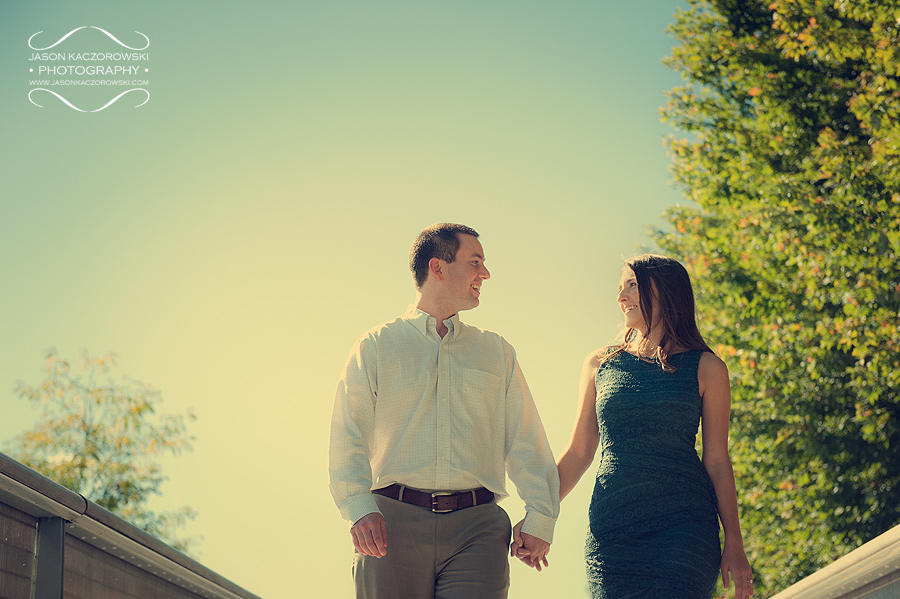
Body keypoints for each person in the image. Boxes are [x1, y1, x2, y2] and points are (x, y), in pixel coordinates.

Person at [329, 223, 560, 599]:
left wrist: (541, 516)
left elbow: (525, 439)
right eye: (475, 262)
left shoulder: (497, 352)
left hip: (478, 530)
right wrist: (357, 506)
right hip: (391, 524)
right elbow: (347, 434)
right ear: (438, 267)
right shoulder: (376, 345)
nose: (485, 274)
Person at [513, 253, 753, 599]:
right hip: (614, 530)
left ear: (667, 291)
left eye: (633, 285)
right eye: (619, 288)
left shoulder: (708, 368)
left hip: (684, 528)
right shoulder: (601, 363)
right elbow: (579, 452)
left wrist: (735, 541)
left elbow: (716, 459)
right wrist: (538, 517)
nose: (621, 296)